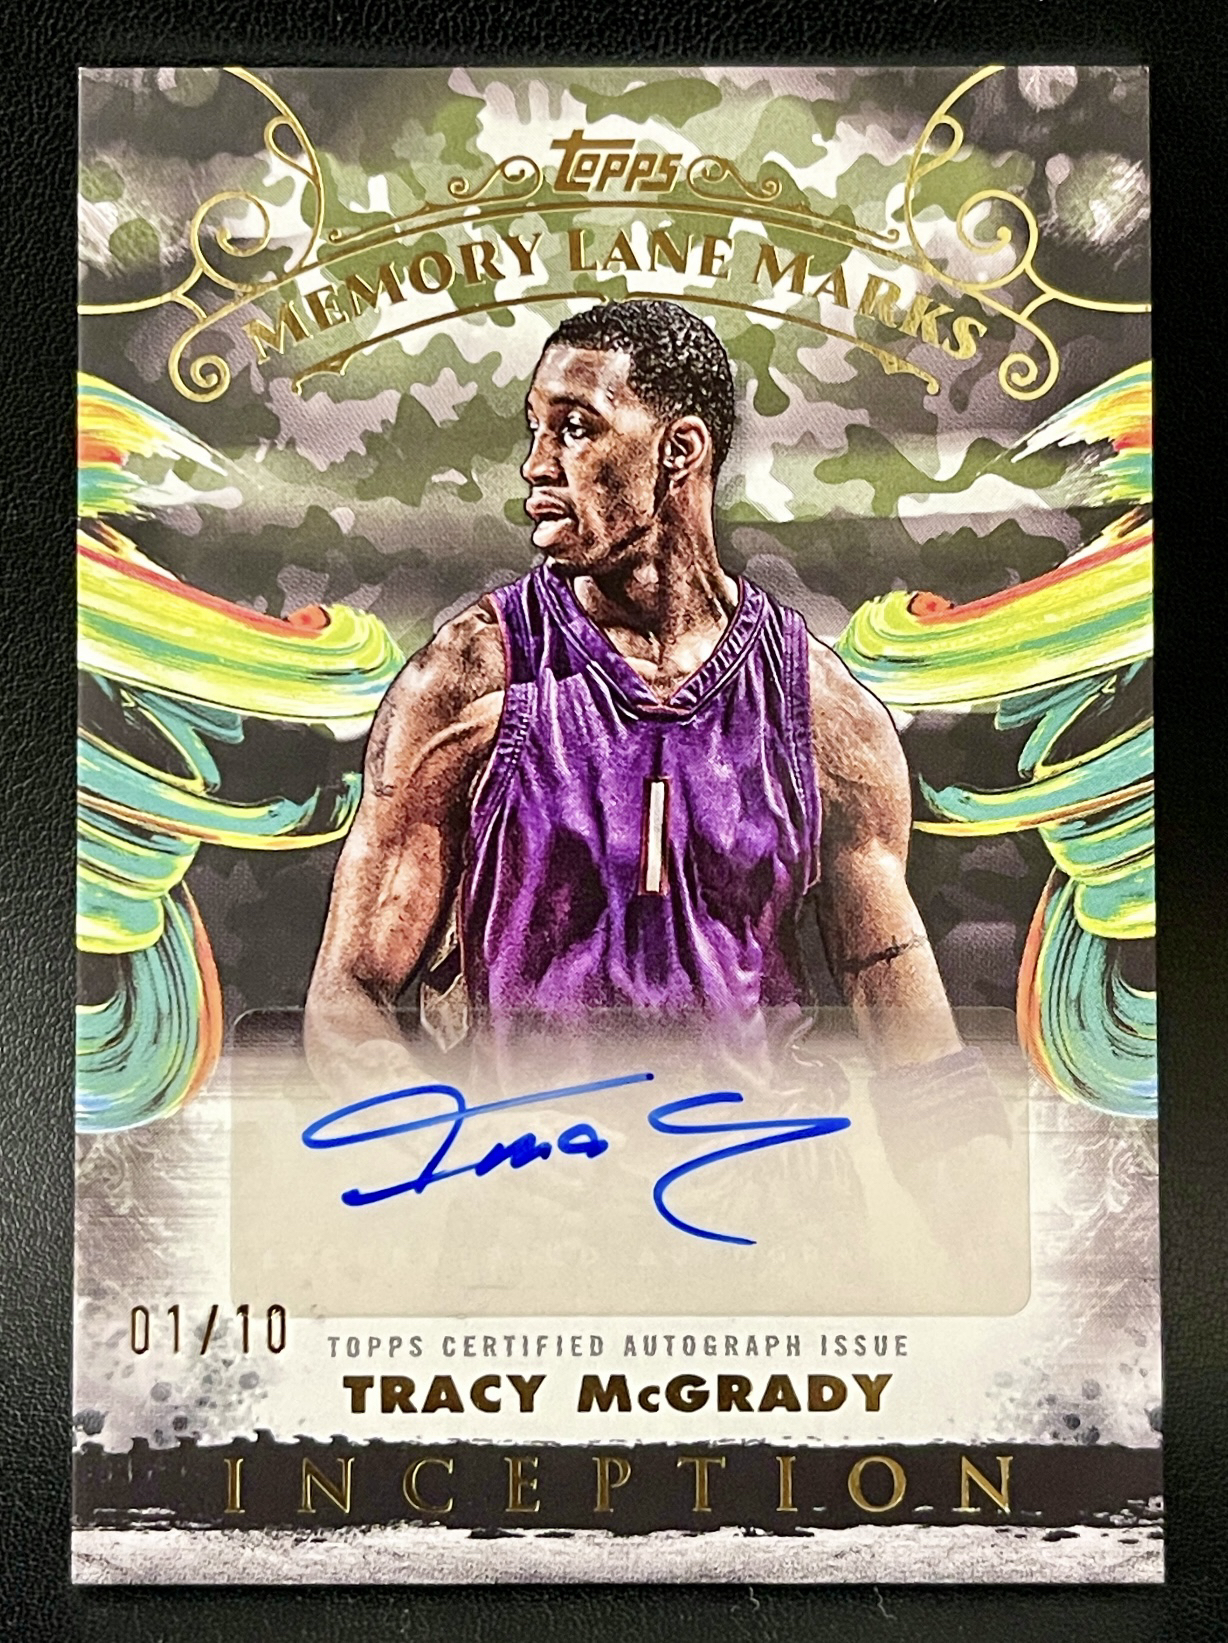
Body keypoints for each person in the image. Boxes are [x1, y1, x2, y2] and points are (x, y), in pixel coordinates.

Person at [304, 298, 969, 1100]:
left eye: (575, 428)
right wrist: (450, 1142)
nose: (536, 465)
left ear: (678, 450)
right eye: (535, 429)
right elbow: (348, 999)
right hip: (536, 1166)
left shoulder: (820, 711)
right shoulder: (469, 679)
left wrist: (966, 1170)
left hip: (760, 1164)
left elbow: (908, 1029)